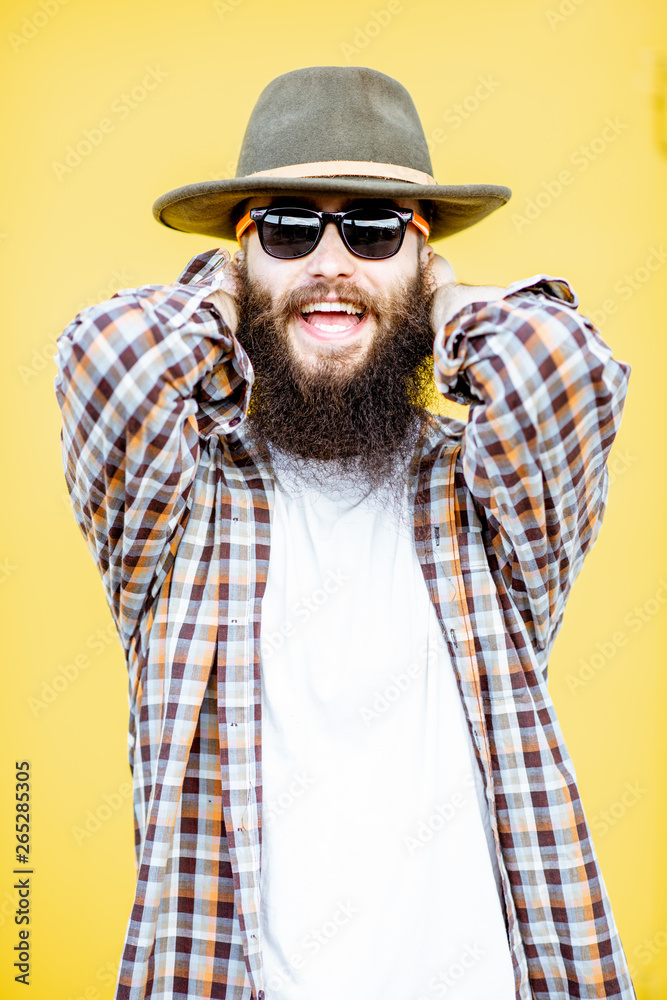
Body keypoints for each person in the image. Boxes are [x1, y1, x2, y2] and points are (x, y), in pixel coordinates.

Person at [54, 66, 637, 1000]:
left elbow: (565, 369)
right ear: (243, 260)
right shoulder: (180, 499)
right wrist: (240, 282)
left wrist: (439, 297)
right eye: (287, 226)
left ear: (424, 257)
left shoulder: (484, 495)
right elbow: (105, 354)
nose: (331, 264)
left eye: (371, 228)